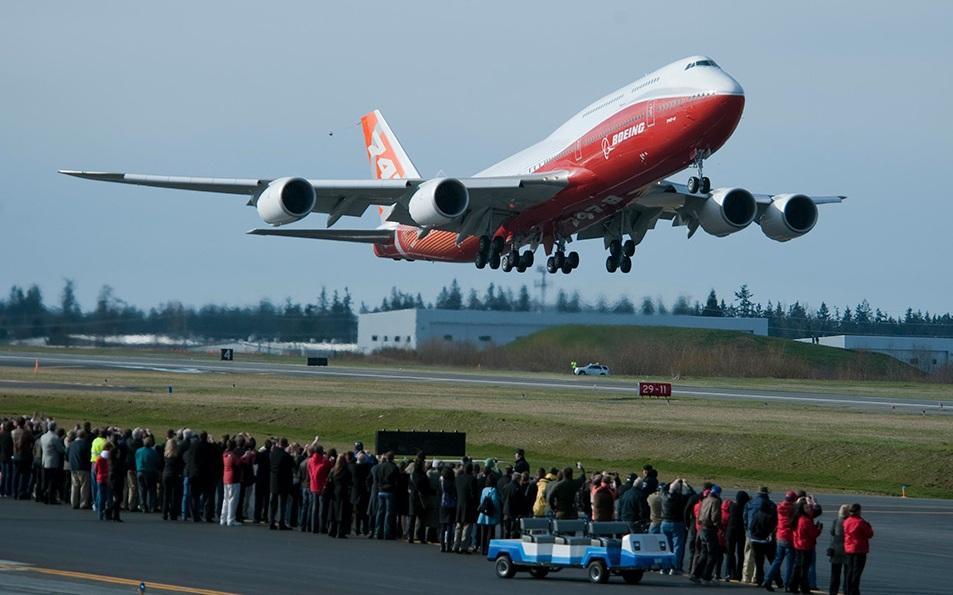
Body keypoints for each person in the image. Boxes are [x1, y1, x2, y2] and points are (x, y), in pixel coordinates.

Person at [764, 490, 798, 592]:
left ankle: (768, 579)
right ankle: (787, 584)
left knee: (777, 560)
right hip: (789, 537)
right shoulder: (793, 509)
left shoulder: (780, 506)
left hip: (780, 536)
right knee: (789, 562)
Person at [660, 478, 693, 575]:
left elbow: (663, 489)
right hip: (677, 523)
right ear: (679, 490)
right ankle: (675, 567)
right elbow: (691, 493)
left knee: (666, 546)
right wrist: (686, 484)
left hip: (665, 522)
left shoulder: (664, 496)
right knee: (677, 546)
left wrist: (673, 481)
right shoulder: (681, 498)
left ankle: (664, 567)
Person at [690, 484, 723, 584]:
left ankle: (696, 574)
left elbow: (699, 514)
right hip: (710, 529)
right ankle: (706, 576)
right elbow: (714, 516)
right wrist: (719, 526)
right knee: (712, 554)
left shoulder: (704, 500)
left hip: (702, 528)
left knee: (704, 553)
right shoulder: (716, 501)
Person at [746, 488, 778, 587]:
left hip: (751, 534)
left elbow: (745, 516)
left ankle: (746, 576)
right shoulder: (771, 504)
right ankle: (759, 578)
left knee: (749, 556)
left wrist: (748, 529)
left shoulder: (750, 502)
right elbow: (775, 522)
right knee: (768, 559)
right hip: (765, 536)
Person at [790, 497, 822, 594]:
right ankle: (804, 588)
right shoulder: (805, 521)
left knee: (797, 567)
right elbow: (813, 534)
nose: (809, 509)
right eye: (807, 508)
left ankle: (794, 586)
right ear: (803, 509)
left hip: (798, 545)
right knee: (804, 569)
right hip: (805, 546)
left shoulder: (798, 518)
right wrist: (818, 529)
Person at [842, 503, 873, 595]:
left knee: (849, 571)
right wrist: (869, 526)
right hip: (859, 549)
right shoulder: (860, 522)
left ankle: (848, 590)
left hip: (849, 548)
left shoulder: (846, 521)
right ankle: (854, 591)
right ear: (858, 511)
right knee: (857, 572)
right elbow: (869, 534)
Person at [453, 462, 478, 553]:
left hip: (459, 504)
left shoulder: (458, 478)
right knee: (467, 527)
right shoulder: (472, 479)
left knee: (458, 526)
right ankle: (463, 546)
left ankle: (456, 545)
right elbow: (474, 494)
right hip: (469, 505)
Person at [725, 490, 750, 581]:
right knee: (740, 554)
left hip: (731, 530)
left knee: (730, 553)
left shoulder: (732, 506)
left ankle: (729, 572)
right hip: (741, 532)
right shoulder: (745, 508)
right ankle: (739, 574)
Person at [269, 438, 294, 531]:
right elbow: (292, 465)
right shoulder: (286, 456)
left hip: (273, 480)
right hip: (283, 482)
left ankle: (271, 521)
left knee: (273, 502)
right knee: (282, 503)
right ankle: (281, 522)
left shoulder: (272, 453)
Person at [407, 453, 432, 543]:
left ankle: (410, 536)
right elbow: (425, 487)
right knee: (421, 518)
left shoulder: (412, 474)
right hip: (421, 497)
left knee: (412, 518)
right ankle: (420, 536)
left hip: (413, 497)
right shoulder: (422, 476)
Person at [327, 451, 353, 538]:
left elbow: (329, 482)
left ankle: (331, 530)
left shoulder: (333, 470)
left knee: (333, 512)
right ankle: (340, 532)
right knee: (341, 513)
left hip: (334, 492)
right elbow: (350, 482)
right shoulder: (346, 471)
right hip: (343, 492)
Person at [476, 475, 501, 556]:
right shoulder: (494, 490)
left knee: (483, 532)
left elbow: (481, 501)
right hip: (491, 514)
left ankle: (482, 549)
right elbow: (495, 502)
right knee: (490, 533)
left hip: (483, 514)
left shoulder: (484, 490)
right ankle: (488, 549)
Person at [67, 429, 92, 509]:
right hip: (83, 467)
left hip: (73, 467)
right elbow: (89, 456)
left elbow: (67, 453)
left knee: (75, 485)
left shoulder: (72, 444)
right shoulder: (86, 444)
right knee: (84, 486)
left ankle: (74, 502)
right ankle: (83, 503)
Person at [135, 436, 160, 513]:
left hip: (140, 471)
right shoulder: (154, 452)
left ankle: (143, 506)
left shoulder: (138, 451)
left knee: (142, 490)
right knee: (152, 490)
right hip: (150, 472)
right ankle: (152, 506)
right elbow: (157, 462)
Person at [827, 504, 848, 595]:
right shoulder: (849, 522)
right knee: (847, 574)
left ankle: (833, 591)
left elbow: (832, 532)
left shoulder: (836, 521)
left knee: (835, 574)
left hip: (836, 549)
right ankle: (846, 591)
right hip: (847, 550)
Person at [220, 439, 241, 526]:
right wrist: (245, 456)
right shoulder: (232, 455)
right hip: (233, 478)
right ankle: (231, 519)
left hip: (226, 477)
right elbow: (239, 462)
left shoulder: (225, 454)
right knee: (233, 499)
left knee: (226, 499)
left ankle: (223, 518)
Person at [161, 432, 181, 521]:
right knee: (174, 495)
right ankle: (173, 514)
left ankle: (164, 513)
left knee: (166, 495)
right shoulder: (177, 455)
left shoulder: (165, 455)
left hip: (165, 474)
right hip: (174, 475)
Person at [439, 465, 457, 552]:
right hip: (451, 505)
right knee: (450, 526)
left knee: (443, 527)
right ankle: (448, 545)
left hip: (443, 505)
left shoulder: (442, 483)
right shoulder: (453, 484)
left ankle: (442, 545)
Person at [94, 442, 112, 521]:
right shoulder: (110, 458)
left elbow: (95, 469)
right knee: (109, 497)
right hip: (108, 478)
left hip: (100, 478)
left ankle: (100, 513)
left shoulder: (99, 458)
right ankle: (108, 513)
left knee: (101, 496)